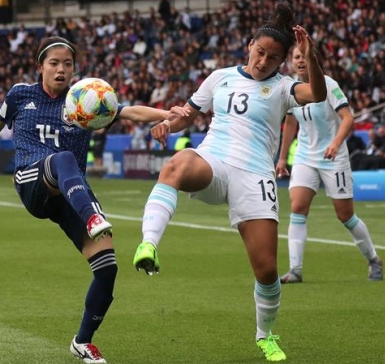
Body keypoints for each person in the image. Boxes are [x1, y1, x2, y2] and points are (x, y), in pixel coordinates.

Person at [0, 36, 185, 364]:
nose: (61, 69)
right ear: (40, 67)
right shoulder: (21, 94)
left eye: (67, 64)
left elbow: (126, 111)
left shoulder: (84, 99)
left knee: (107, 268)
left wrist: (167, 113)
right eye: (54, 63)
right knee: (61, 159)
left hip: (69, 194)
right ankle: (93, 217)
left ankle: (82, 341)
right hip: (31, 179)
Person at [131, 4, 327, 362]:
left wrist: (311, 57)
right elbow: (186, 115)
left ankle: (265, 335)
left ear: (282, 61)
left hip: (254, 177)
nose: (263, 60)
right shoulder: (220, 77)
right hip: (215, 161)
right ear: (249, 45)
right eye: (260, 51)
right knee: (177, 164)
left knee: (267, 270)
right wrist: (167, 126)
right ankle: (148, 245)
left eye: (273, 57)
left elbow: (318, 95)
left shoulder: (284, 87)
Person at [275, 47, 383, 285]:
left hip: (333, 158)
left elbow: (348, 118)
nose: (300, 61)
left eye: (304, 56)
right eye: (296, 57)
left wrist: (335, 143)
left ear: (314, 59)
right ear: (291, 62)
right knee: (298, 206)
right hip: (305, 156)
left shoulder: (328, 84)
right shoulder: (292, 88)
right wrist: (282, 158)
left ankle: (374, 259)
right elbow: (290, 125)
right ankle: (295, 270)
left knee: (345, 215)